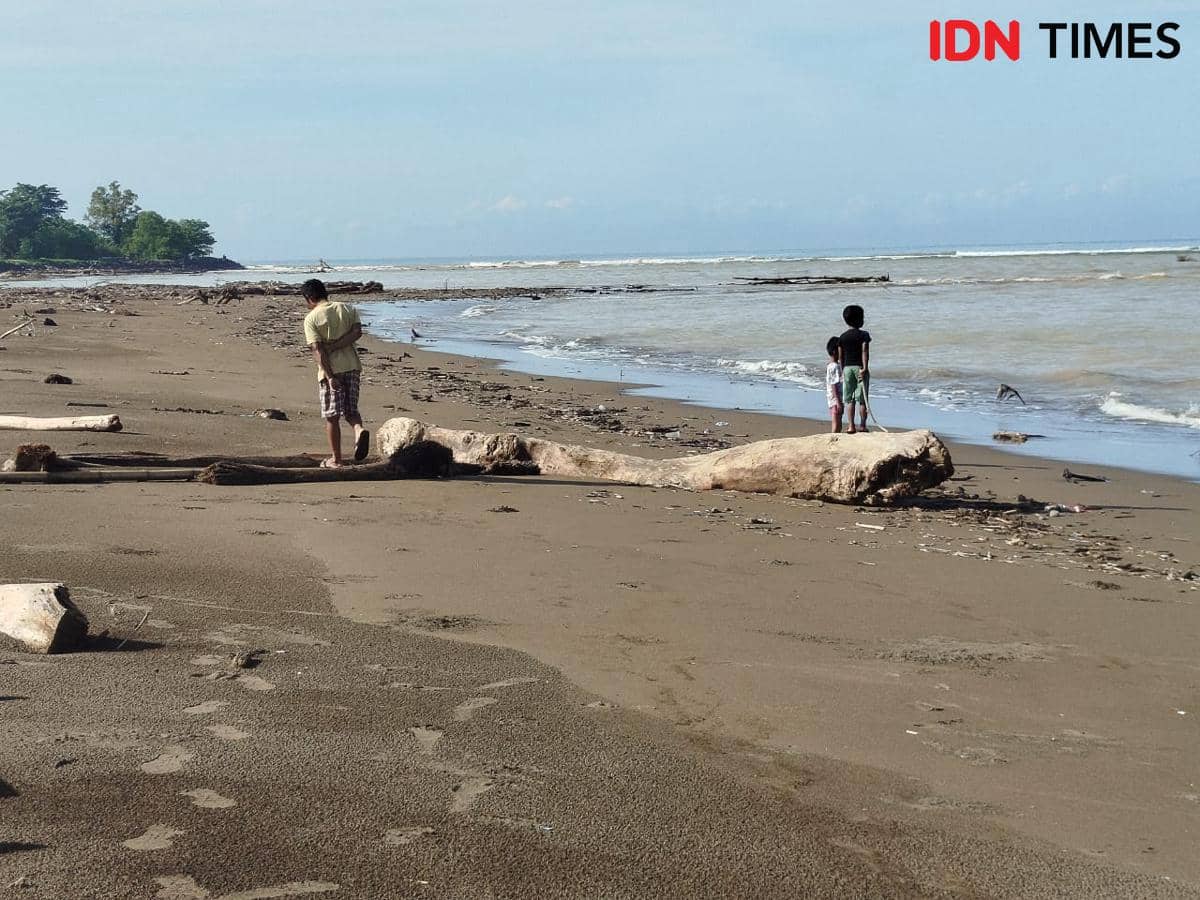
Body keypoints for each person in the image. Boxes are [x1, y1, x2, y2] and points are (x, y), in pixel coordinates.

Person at [301, 278, 369, 467]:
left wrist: (329, 376)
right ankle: (358, 430)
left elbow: (317, 350)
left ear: (310, 298)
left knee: (332, 417)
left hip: (332, 370)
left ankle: (336, 459)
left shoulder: (312, 318)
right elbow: (357, 333)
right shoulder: (348, 309)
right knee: (351, 410)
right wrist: (339, 345)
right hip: (353, 365)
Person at [838, 304, 871, 434]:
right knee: (862, 399)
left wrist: (842, 371)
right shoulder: (864, 335)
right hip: (859, 367)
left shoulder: (842, 337)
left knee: (849, 399)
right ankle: (862, 425)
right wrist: (865, 368)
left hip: (847, 368)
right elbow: (864, 351)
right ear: (859, 319)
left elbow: (841, 356)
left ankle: (851, 426)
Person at [825, 336, 843, 433]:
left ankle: (837, 436)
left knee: (839, 420)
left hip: (837, 397)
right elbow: (833, 384)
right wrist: (837, 401)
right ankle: (834, 436)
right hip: (834, 399)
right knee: (836, 421)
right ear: (835, 351)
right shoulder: (833, 367)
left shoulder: (836, 365)